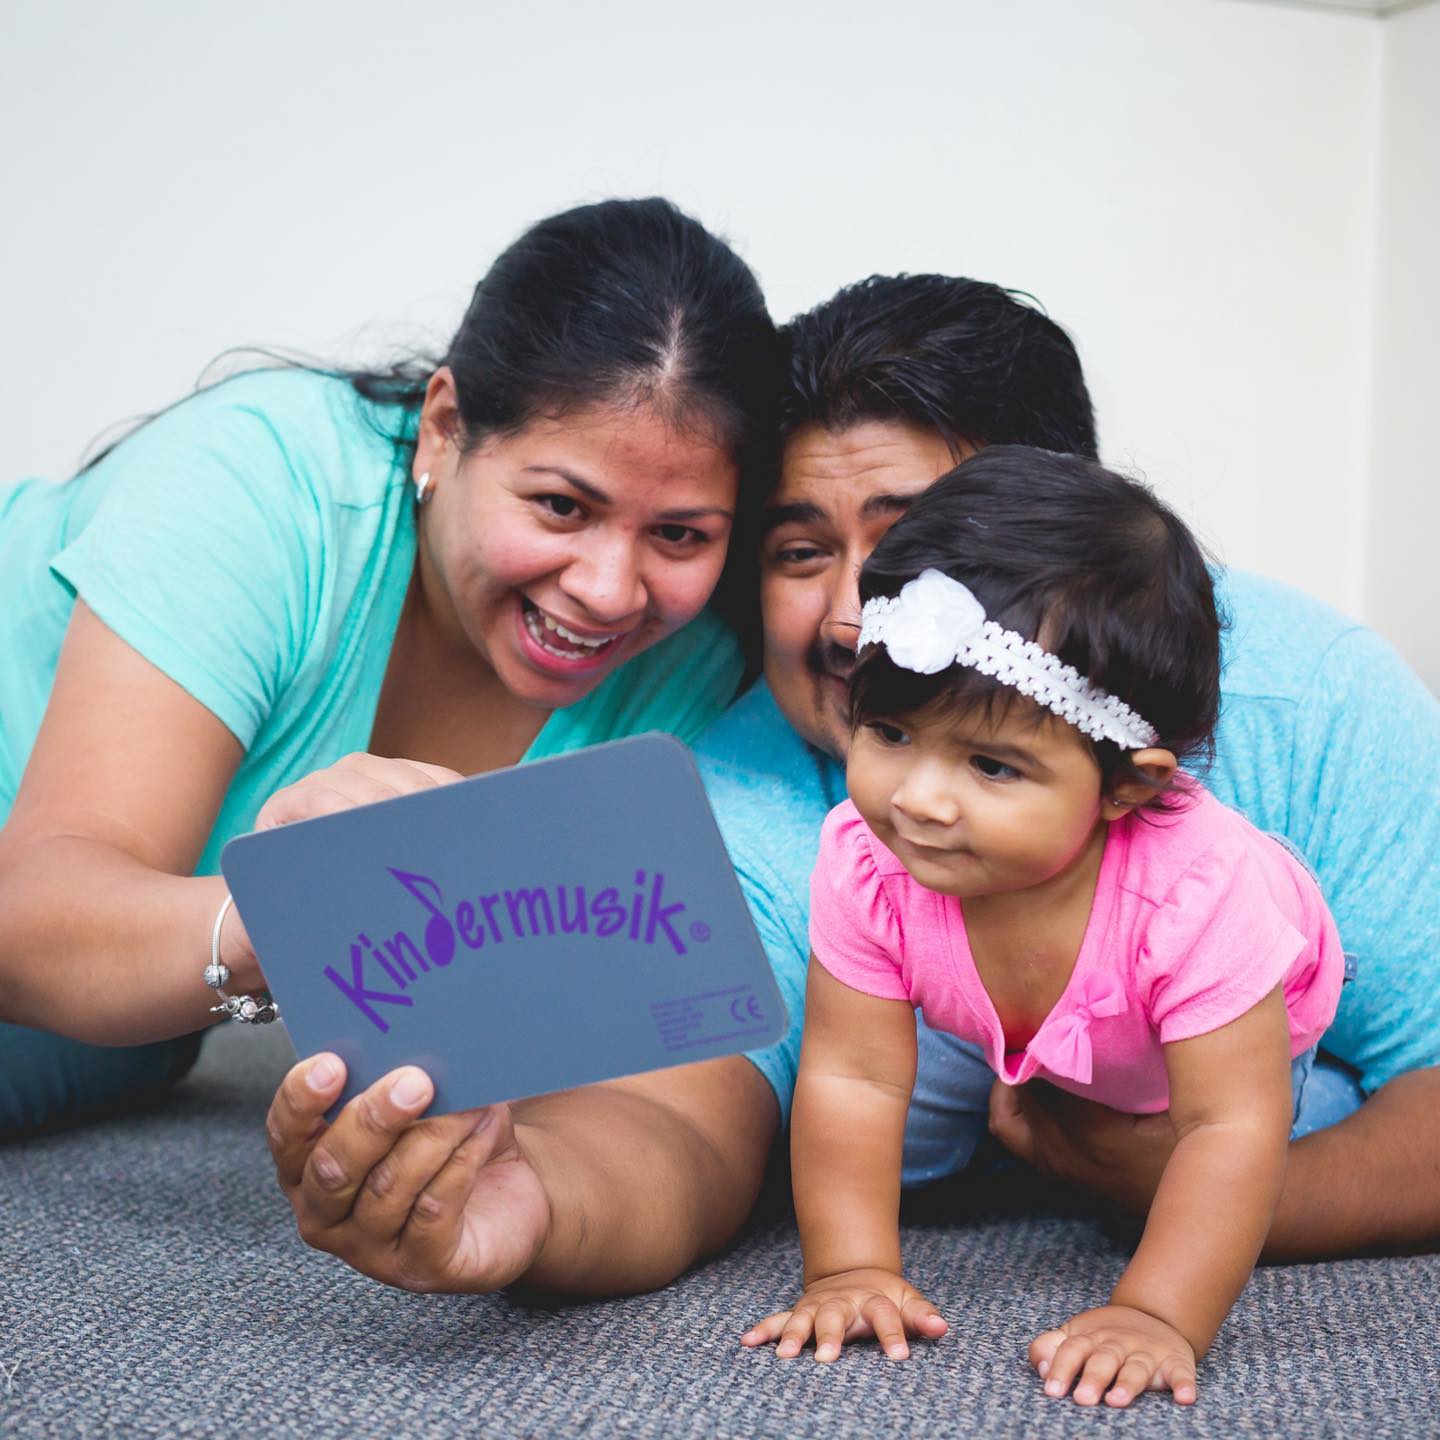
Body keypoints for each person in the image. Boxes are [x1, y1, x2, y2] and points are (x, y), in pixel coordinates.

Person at [262, 274, 1440, 1297]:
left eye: (911, 541)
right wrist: (530, 1208)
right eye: (798, 549)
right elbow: (682, 1116)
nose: (847, 617)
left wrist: (1209, 1199)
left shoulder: (1311, 708)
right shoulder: (765, 797)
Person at [0, 196, 782, 1136]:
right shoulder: (261, 485)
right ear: (444, 428)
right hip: (63, 938)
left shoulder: (699, 663)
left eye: (679, 534)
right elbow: (31, 920)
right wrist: (297, 914)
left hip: (140, 1015)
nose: (612, 591)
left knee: (116, 1049)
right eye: (562, 507)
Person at [742, 450, 1346, 1409]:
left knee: (1240, 1149)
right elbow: (852, 1075)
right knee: (922, 1131)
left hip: (1246, 1039)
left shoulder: (1199, 895)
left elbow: (1230, 1125)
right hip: (1028, 1026)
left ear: (1127, 786)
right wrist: (848, 1267)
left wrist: (1158, 1312)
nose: (921, 801)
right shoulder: (866, 856)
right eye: (890, 735)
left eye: (991, 766)